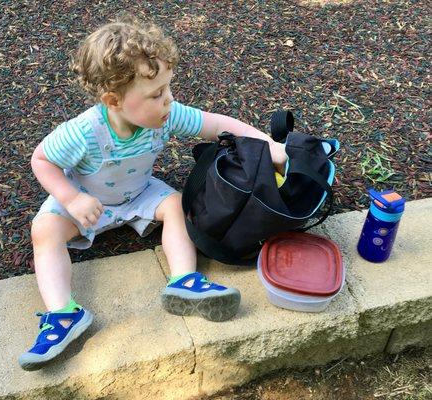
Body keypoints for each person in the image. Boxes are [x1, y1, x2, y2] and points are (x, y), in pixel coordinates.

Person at [18, 14, 288, 371]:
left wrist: (270, 146)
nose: (168, 100)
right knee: (44, 231)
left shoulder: (166, 114)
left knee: (175, 203)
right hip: (87, 201)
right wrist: (70, 198)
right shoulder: (82, 132)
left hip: (140, 193)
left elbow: (218, 125)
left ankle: (184, 281)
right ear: (113, 100)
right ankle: (63, 315)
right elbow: (42, 160)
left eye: (168, 88)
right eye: (157, 94)